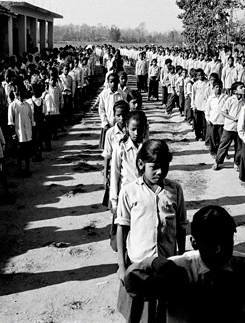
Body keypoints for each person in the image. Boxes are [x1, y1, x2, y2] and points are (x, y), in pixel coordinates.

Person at [123, 205, 245, 323]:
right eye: (212, 243)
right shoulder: (177, 269)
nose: (220, 250)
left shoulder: (244, 266)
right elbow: (134, 287)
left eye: (226, 241)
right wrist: (151, 262)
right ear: (194, 242)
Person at [115, 139, 187, 323]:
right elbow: (122, 229)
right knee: (139, 312)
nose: (160, 171)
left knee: (164, 311)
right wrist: (122, 267)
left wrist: (180, 256)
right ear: (141, 164)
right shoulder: (129, 192)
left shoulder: (175, 190)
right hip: (139, 265)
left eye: (165, 166)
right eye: (154, 167)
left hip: (166, 263)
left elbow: (180, 226)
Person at [110, 111, 148, 252]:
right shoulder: (120, 148)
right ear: (126, 128)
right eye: (133, 129)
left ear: (145, 128)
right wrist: (114, 200)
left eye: (140, 129)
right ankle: (123, 261)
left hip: (143, 195)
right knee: (122, 232)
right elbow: (114, 174)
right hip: (125, 196)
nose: (136, 132)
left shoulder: (147, 148)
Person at [212, 82, 245, 171]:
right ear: (235, 91)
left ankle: (236, 163)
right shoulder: (230, 100)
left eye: (243, 87)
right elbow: (223, 112)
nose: (243, 89)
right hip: (229, 127)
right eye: (241, 87)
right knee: (224, 145)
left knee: (239, 147)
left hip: (240, 128)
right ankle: (218, 162)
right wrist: (233, 118)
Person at [102, 100, 130, 208]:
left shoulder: (132, 131)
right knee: (115, 200)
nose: (121, 118)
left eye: (124, 115)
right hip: (114, 170)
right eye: (118, 115)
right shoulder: (110, 133)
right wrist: (105, 175)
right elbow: (107, 154)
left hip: (127, 171)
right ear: (114, 115)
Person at [8, 85, 34, 176]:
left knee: (27, 152)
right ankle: (19, 169)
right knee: (19, 153)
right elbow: (11, 122)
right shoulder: (13, 105)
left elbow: (31, 118)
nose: (25, 94)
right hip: (19, 134)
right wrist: (13, 135)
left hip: (27, 133)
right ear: (18, 93)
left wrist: (31, 131)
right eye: (23, 92)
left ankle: (27, 169)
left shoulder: (27, 105)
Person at [98, 72, 126, 149]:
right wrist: (105, 122)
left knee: (119, 145)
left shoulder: (122, 94)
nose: (113, 84)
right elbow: (101, 109)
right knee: (107, 147)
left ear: (118, 82)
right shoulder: (104, 94)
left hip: (119, 124)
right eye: (111, 82)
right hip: (108, 123)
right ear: (108, 83)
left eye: (115, 81)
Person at [204, 79, 227, 157]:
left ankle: (223, 153)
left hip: (222, 120)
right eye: (217, 87)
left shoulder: (225, 97)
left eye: (220, 87)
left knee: (222, 138)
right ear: (213, 88)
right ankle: (213, 151)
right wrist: (207, 118)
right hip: (213, 120)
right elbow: (207, 109)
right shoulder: (211, 98)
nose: (218, 89)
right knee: (213, 137)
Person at [191, 69, 209, 141]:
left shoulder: (207, 83)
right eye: (199, 75)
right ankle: (198, 135)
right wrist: (193, 105)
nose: (201, 76)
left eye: (202, 75)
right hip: (197, 105)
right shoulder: (195, 84)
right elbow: (193, 95)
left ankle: (204, 135)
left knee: (204, 122)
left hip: (205, 105)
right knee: (197, 122)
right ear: (196, 76)